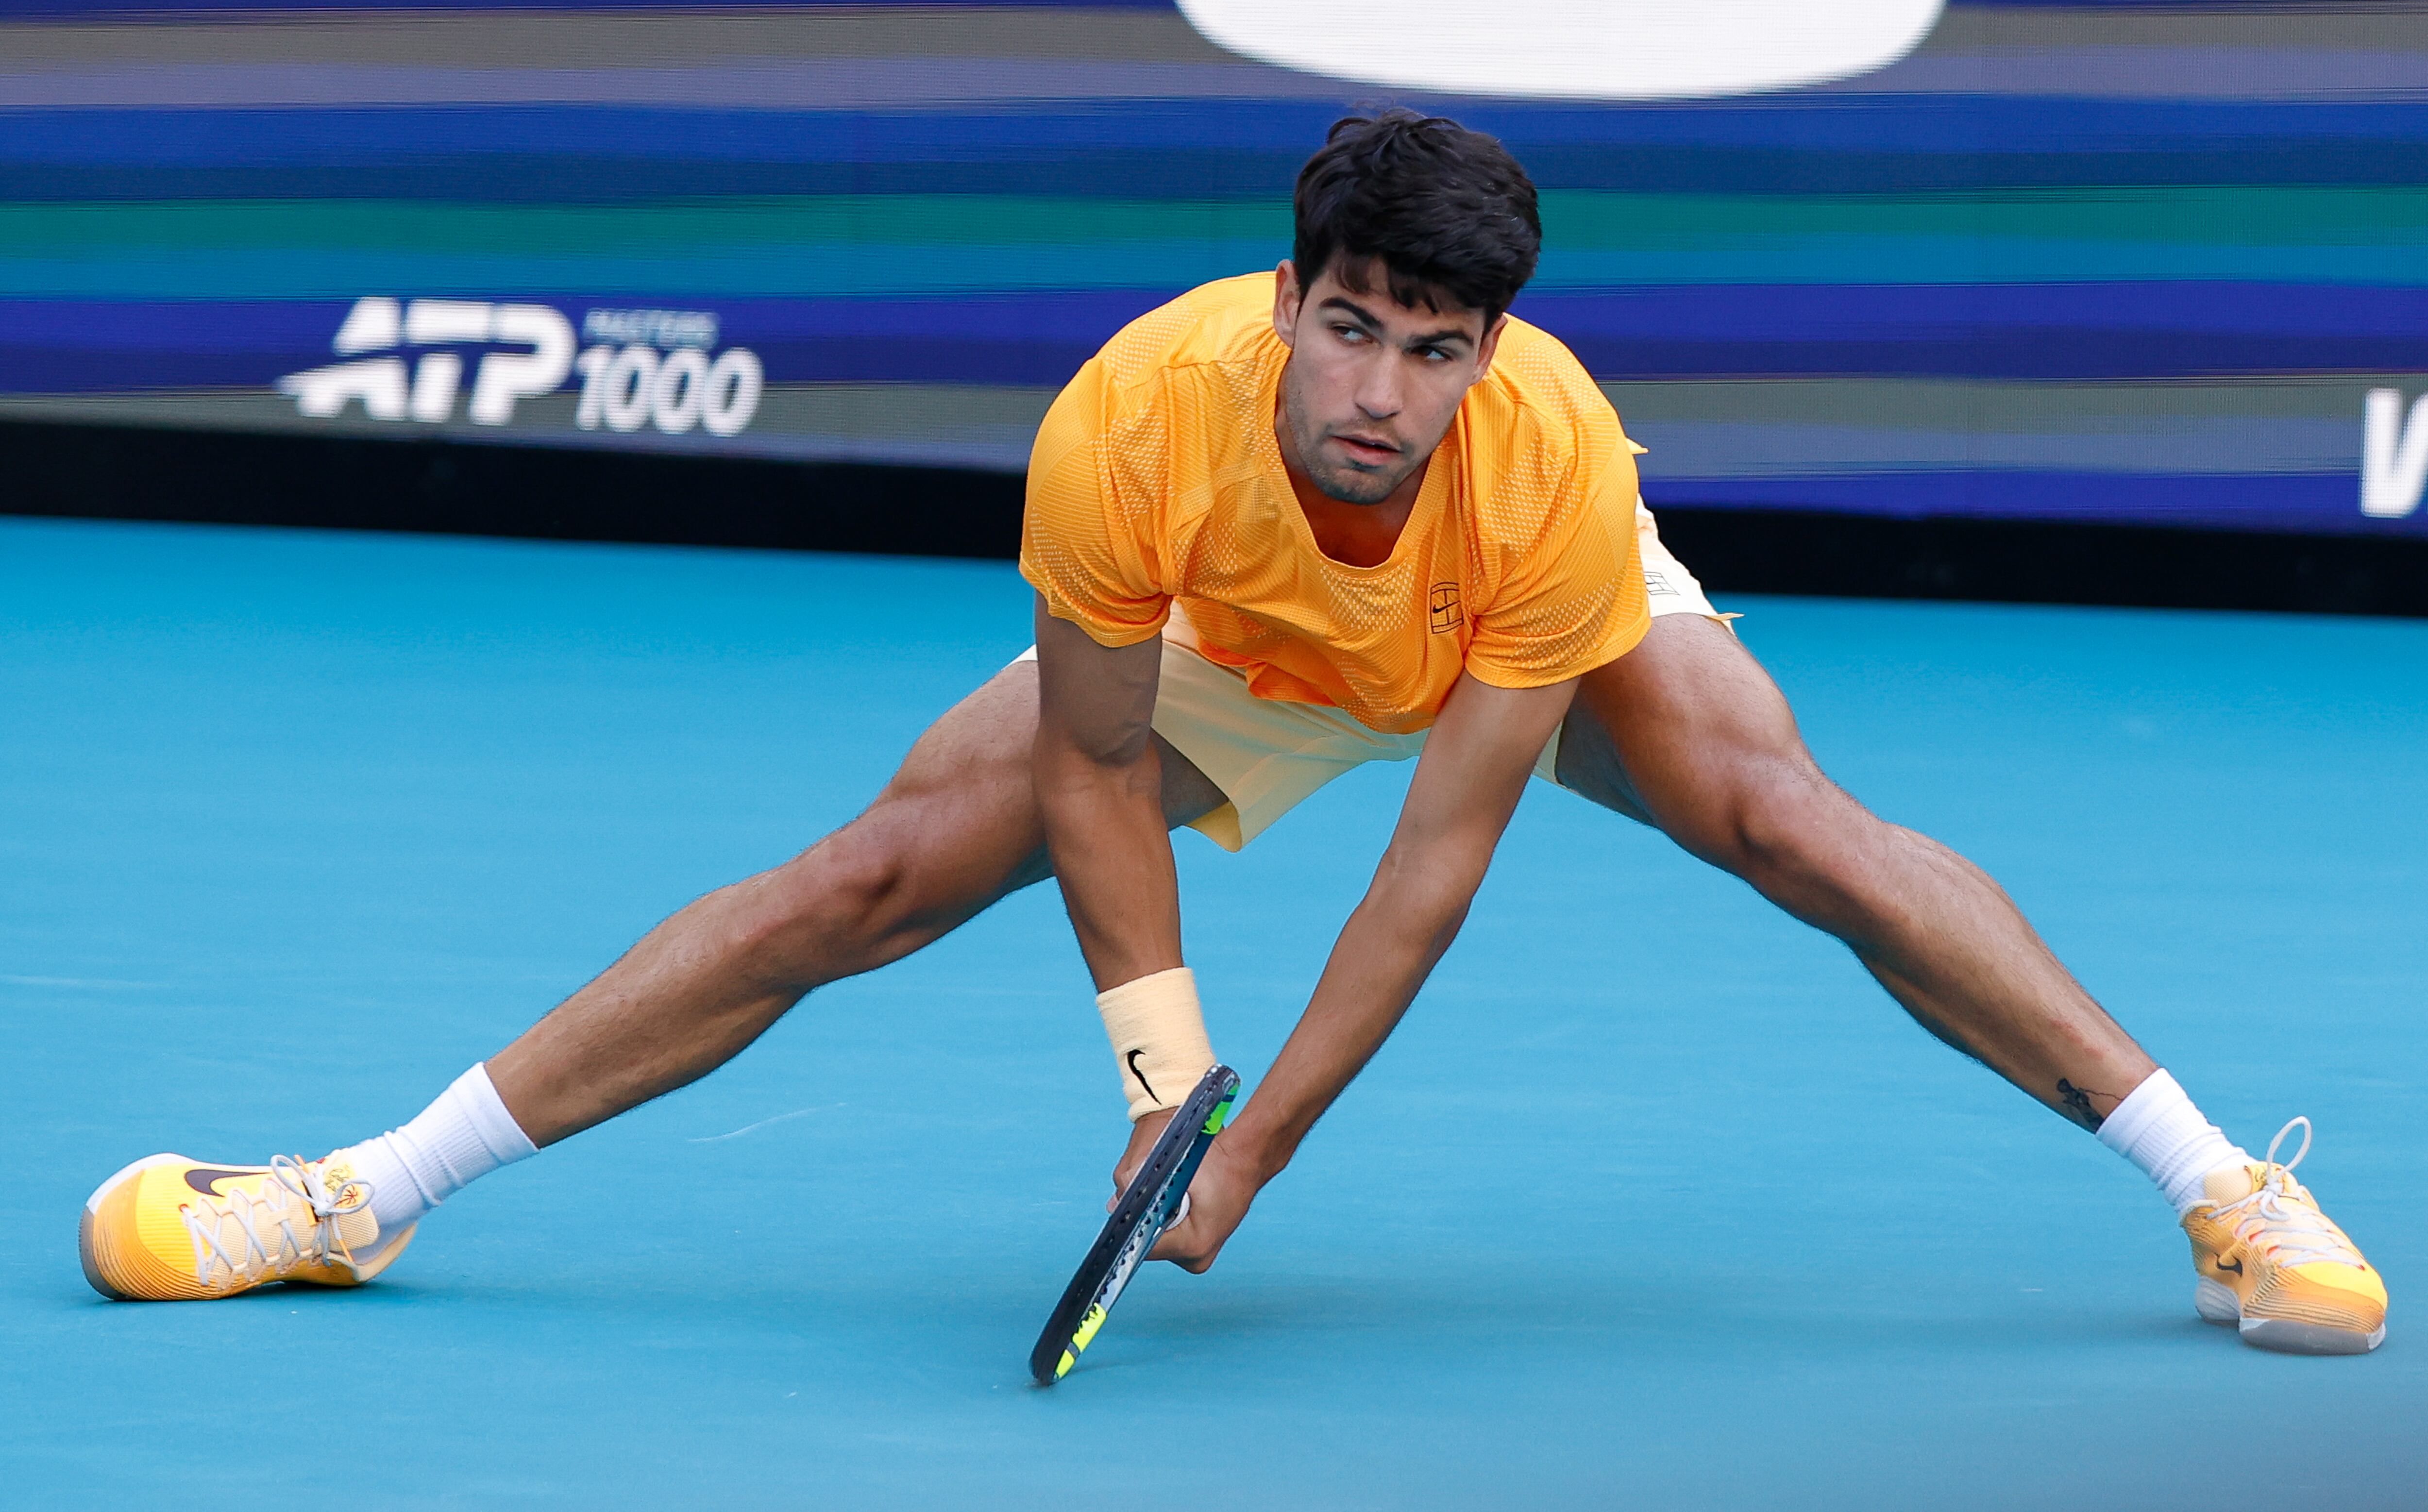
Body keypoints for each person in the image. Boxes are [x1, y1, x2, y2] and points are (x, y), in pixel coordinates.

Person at [78, 111, 2384, 1357]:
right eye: (1351, 329)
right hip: (1224, 647)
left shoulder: (1541, 463)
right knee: (867, 876)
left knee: (1785, 816)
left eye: (1435, 343)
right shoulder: (1132, 427)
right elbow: (1089, 768)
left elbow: (1436, 861)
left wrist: (1256, 1139)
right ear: (1288, 306)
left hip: (1504, 631)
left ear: (1493, 348)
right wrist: (1158, 1067)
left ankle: (2213, 1190)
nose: (1382, 389)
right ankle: (358, 1200)